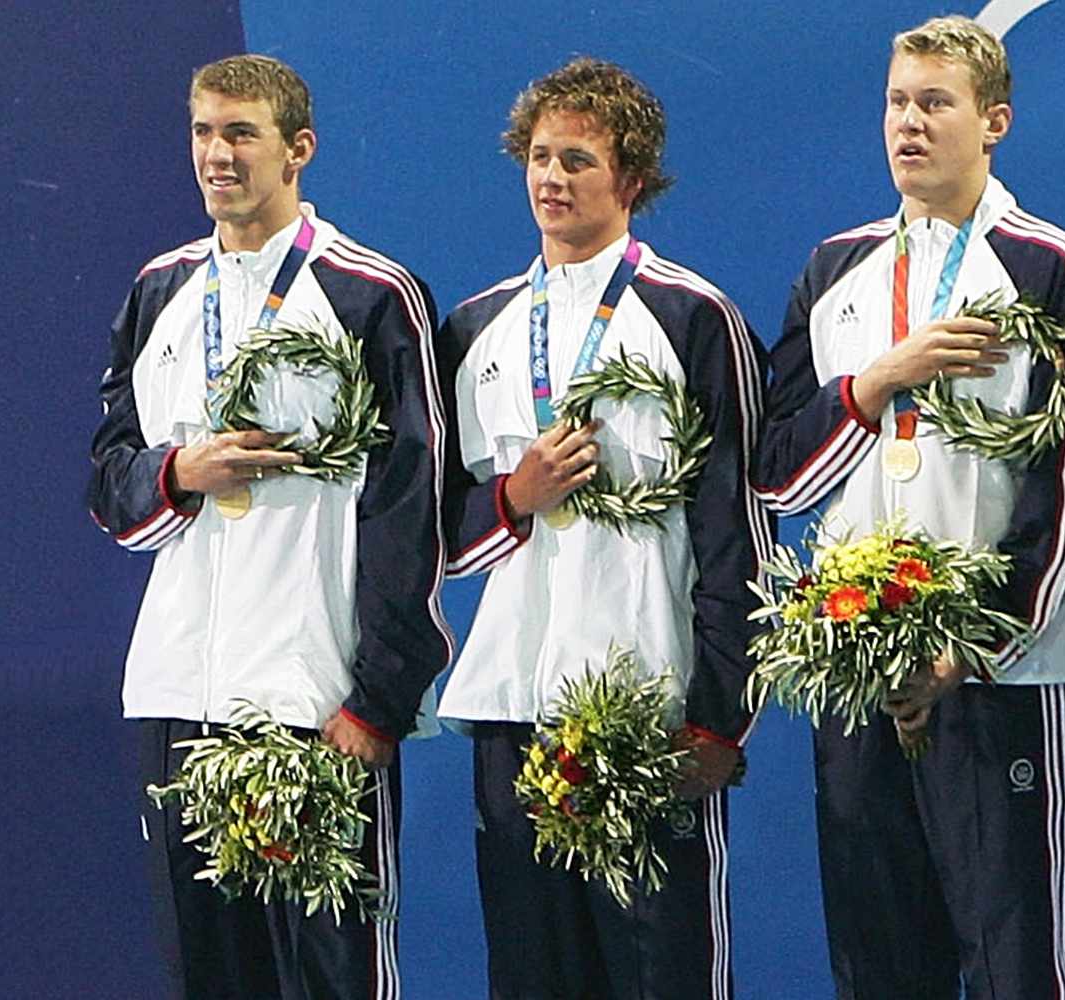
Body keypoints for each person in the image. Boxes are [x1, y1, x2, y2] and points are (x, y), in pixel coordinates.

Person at [752, 16, 1065, 999]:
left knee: (1012, 963)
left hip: (995, 676)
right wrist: (879, 381)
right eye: (897, 103)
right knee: (877, 964)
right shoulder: (837, 271)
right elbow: (779, 474)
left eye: (935, 103)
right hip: (856, 669)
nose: (909, 124)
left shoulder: (1051, 269)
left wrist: (975, 645)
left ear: (994, 121)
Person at [87, 54, 450, 999]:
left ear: (299, 150)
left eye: (241, 132)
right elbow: (108, 478)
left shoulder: (371, 295)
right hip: (178, 692)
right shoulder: (157, 292)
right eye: (204, 131)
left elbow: (411, 508)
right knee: (208, 975)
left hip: (312, 697)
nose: (217, 154)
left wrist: (379, 697)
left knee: (331, 977)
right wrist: (179, 471)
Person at [436, 57, 771, 1000]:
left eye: (577, 160)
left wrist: (717, 713)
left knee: (657, 972)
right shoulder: (477, 329)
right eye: (539, 157)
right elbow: (441, 530)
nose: (551, 178)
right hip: (512, 700)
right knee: (533, 975)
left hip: (647, 703)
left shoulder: (693, 318)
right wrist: (514, 497)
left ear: (631, 179)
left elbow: (735, 532)